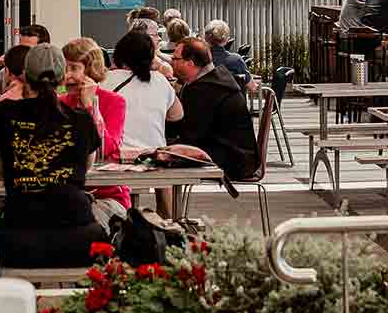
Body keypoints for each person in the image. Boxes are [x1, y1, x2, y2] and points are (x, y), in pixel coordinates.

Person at [0, 44, 107, 267]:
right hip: (79, 237)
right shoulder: (81, 119)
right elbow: (84, 167)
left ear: (25, 75)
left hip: (19, 236)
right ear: (61, 78)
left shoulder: (5, 112)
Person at [107, 29, 184, 216]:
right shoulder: (160, 81)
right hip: (154, 159)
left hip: (116, 160)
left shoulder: (106, 80)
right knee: (164, 164)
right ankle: (169, 222)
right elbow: (177, 115)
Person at [169, 38, 259, 181]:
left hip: (232, 162)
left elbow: (189, 135)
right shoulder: (216, 78)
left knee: (162, 157)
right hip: (241, 157)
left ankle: (168, 203)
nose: (171, 62)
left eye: (175, 58)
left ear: (190, 63)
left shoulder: (203, 90)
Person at [62, 38, 130, 226]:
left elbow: (106, 147)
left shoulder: (115, 102)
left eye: (74, 68)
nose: (67, 76)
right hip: (69, 194)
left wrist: (91, 107)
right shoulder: (59, 103)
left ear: (90, 71)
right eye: (65, 68)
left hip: (106, 196)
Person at [203, 19, 252, 87]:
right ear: (226, 39)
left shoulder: (198, 59)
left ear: (205, 38)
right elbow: (252, 86)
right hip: (231, 97)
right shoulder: (236, 60)